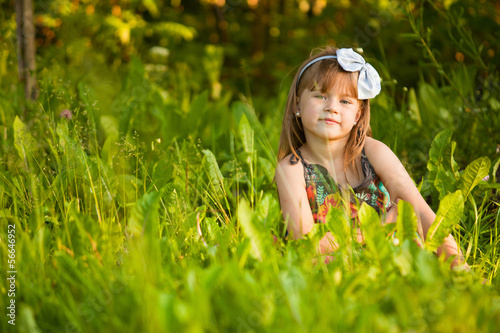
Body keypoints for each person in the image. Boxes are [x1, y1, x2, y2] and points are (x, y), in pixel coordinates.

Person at [274, 45, 466, 268]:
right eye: (320, 96)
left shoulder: (373, 151)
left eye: (345, 101)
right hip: (336, 268)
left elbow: (421, 212)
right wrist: (381, 224)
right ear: (297, 103)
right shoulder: (291, 168)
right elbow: (306, 245)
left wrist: (462, 270)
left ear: (358, 114)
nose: (332, 108)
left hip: (394, 257)